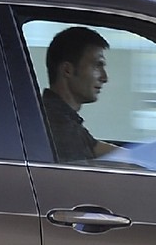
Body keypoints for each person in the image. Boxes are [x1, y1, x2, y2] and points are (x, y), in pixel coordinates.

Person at [39, 26, 122, 162]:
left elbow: (96, 148)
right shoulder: (60, 127)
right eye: (97, 65)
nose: (104, 77)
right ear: (67, 70)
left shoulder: (62, 117)